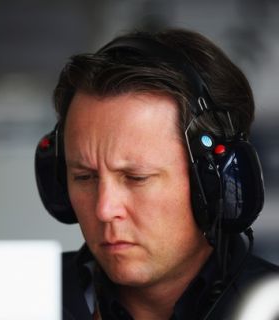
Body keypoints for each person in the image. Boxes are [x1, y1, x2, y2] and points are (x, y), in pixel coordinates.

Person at [34, 28, 279, 320]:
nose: (104, 209)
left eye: (136, 177)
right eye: (85, 177)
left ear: (214, 185)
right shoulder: (12, 299)